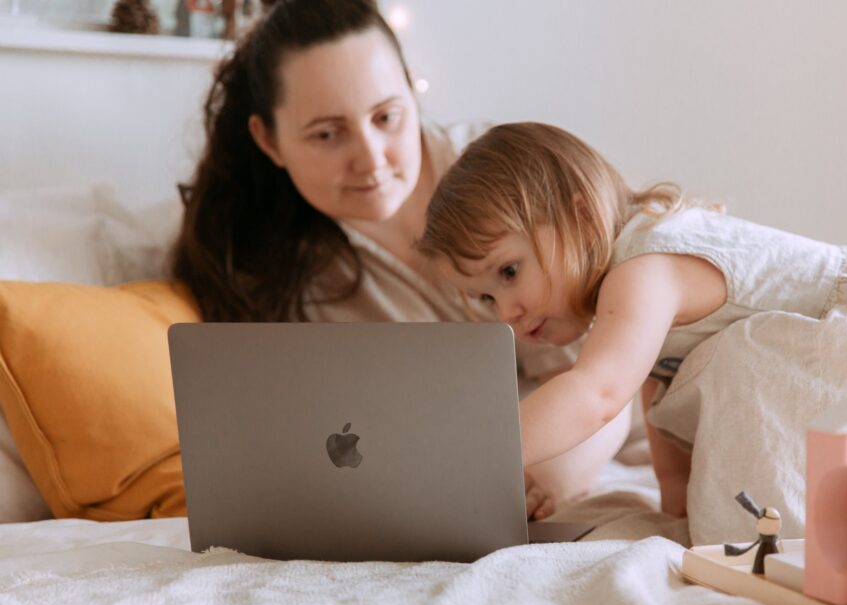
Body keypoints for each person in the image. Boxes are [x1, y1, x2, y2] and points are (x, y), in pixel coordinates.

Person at [415, 122, 847, 544]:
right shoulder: (628, 294)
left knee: (745, 376)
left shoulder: (644, 268)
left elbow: (596, 393)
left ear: (575, 214)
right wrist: (675, 497)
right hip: (846, 351)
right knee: (724, 377)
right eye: (486, 297)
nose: (506, 311)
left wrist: (475, 450)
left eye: (510, 272)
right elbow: (661, 395)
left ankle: (788, 533)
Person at [170, 0, 632, 519]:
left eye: (387, 117)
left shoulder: (515, 179)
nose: (371, 159)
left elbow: (610, 378)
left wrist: (534, 483)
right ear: (268, 140)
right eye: (327, 134)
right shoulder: (264, 263)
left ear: (413, 90)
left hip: (582, 454)